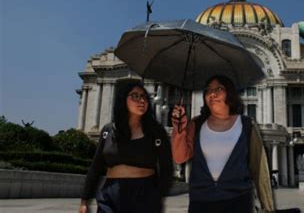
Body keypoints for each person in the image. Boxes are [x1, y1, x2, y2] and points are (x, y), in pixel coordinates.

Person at [172, 75, 275, 213]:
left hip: (238, 201)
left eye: (219, 88)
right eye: (208, 90)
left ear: (230, 93)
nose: (212, 94)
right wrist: (179, 129)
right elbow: (180, 157)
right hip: (201, 202)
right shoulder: (196, 124)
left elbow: (259, 169)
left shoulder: (247, 125)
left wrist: (267, 207)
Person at [79, 81, 173, 213]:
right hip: (111, 192)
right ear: (123, 99)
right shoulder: (108, 130)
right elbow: (96, 166)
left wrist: (158, 197)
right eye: (135, 96)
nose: (141, 100)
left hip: (144, 193)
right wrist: (85, 200)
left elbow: (167, 169)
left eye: (144, 97)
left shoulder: (156, 132)